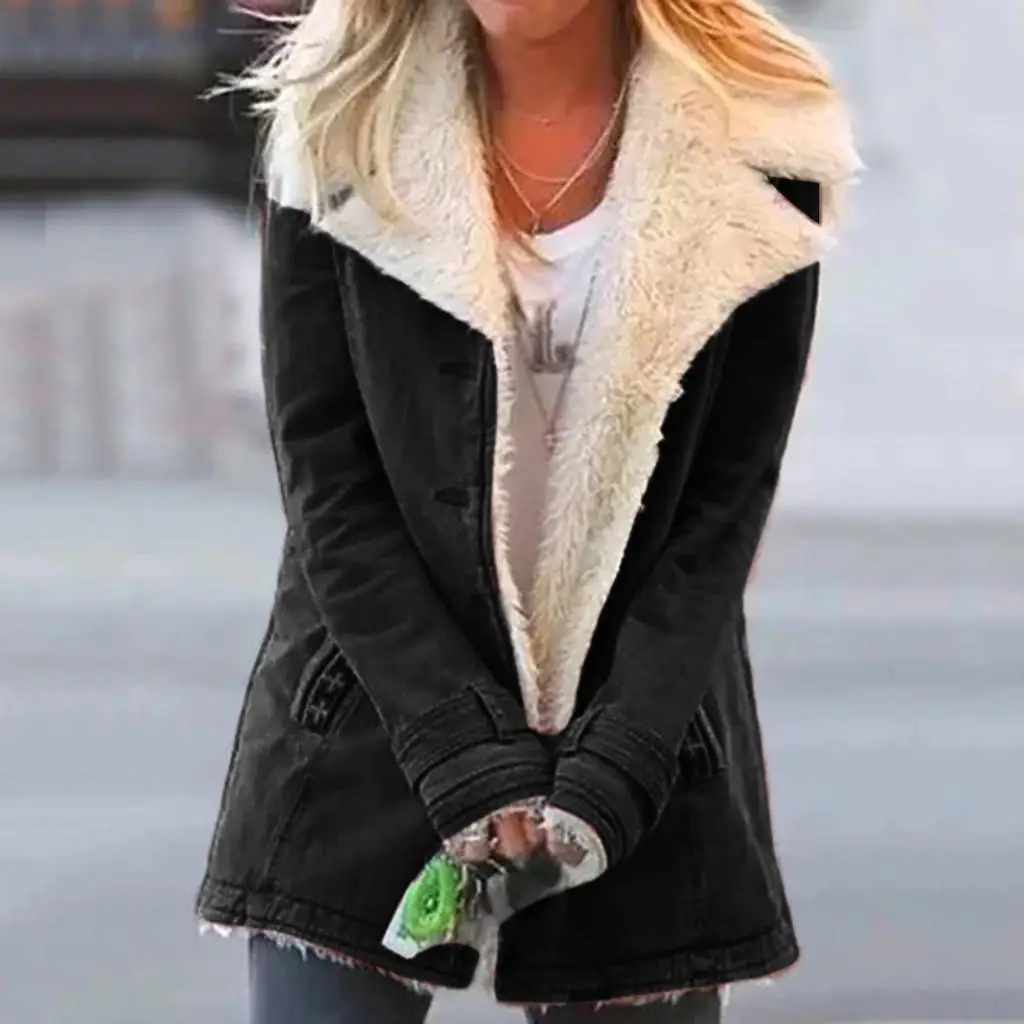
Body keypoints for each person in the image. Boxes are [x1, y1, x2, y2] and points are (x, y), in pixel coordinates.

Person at [194, 0, 859, 1020]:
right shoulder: (338, 112)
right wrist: (456, 741)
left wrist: (624, 753)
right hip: (373, 704)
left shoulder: (764, 138)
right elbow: (327, 478)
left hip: (643, 729)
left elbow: (722, 507)